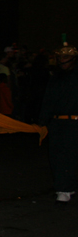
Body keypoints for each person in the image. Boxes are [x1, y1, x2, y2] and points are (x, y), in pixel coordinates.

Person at [39, 44, 78, 203]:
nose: (63, 61)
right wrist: (43, 120)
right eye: (60, 57)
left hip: (73, 122)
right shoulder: (56, 77)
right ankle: (65, 186)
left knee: (68, 155)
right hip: (57, 122)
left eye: (66, 57)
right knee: (56, 155)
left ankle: (65, 187)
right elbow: (48, 99)